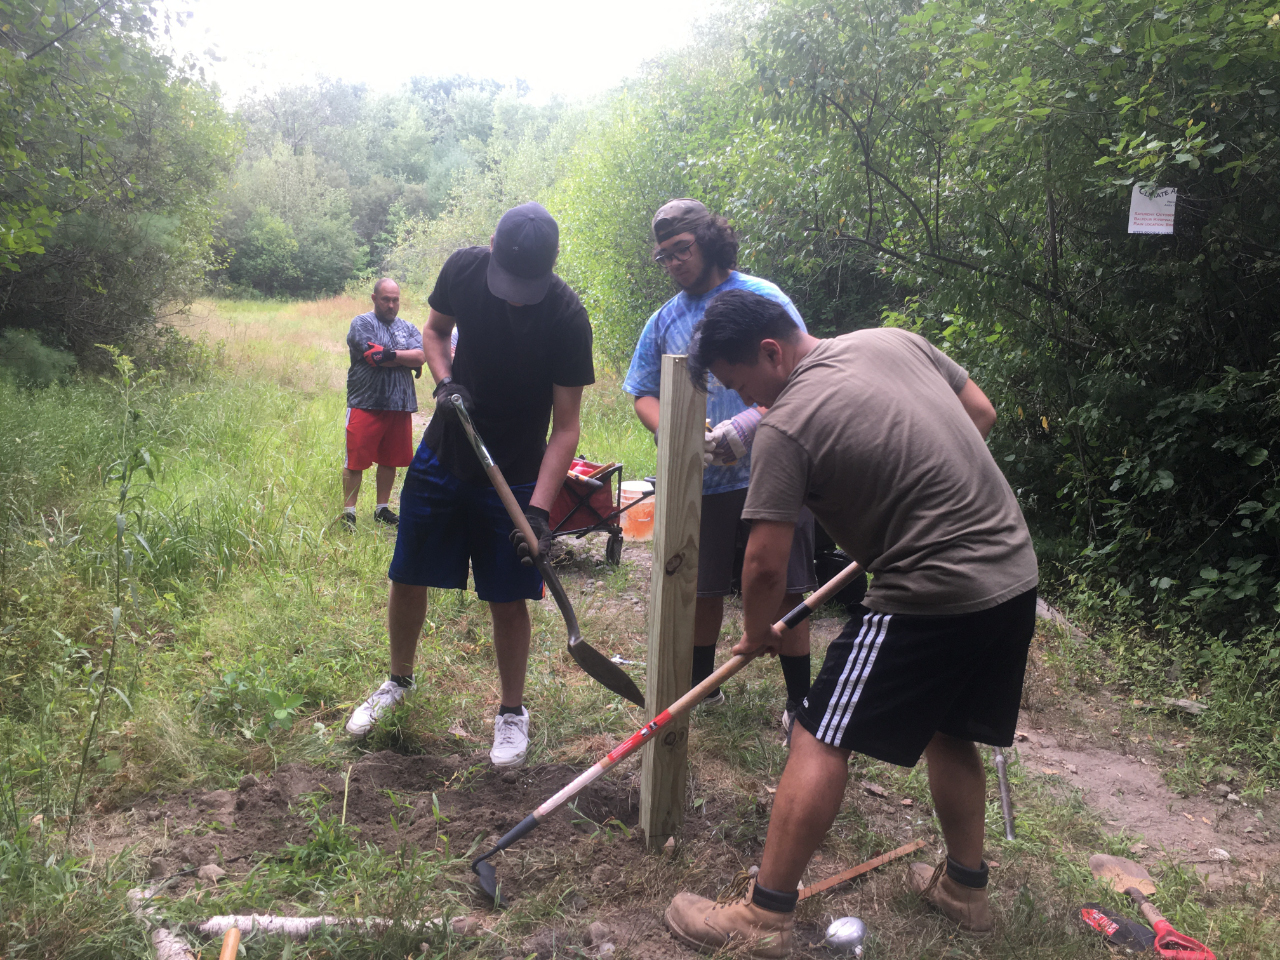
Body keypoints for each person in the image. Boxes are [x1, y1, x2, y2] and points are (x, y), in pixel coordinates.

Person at [663, 290, 1039, 955]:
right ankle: (965, 890)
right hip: (1011, 573)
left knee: (820, 730)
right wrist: (909, 495)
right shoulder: (890, 340)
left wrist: (756, 634)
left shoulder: (788, 426)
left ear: (771, 353)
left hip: (933, 592)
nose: (750, 403)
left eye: (742, 384)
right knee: (949, 729)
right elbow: (979, 413)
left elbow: (764, 567)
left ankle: (762, 913)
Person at [345, 202, 594, 771]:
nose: (512, 298)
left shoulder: (565, 317)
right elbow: (435, 332)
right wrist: (446, 381)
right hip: (444, 454)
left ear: (549, 269)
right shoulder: (463, 269)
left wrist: (537, 510)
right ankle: (398, 682)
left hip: (518, 471)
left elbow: (567, 428)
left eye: (525, 287)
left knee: (507, 598)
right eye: (506, 283)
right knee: (407, 574)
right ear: (491, 247)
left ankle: (511, 712)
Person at [622, 198, 818, 735]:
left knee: (787, 586)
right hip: (703, 479)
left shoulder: (762, 298)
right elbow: (641, 391)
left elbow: (801, 368)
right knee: (699, 583)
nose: (674, 263)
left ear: (707, 240)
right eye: (663, 256)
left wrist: (751, 423)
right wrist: (676, 432)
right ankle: (701, 685)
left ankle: (800, 700)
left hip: (776, 468)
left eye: (681, 250)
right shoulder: (665, 320)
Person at [341, 278, 425, 528]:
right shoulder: (362, 323)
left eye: (395, 299)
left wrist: (390, 354)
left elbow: (421, 355)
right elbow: (374, 357)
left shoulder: (408, 327)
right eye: (386, 299)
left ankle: (382, 509)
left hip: (399, 404)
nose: (391, 304)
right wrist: (405, 358)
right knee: (355, 461)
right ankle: (349, 513)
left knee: (390, 460)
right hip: (365, 400)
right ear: (374, 298)